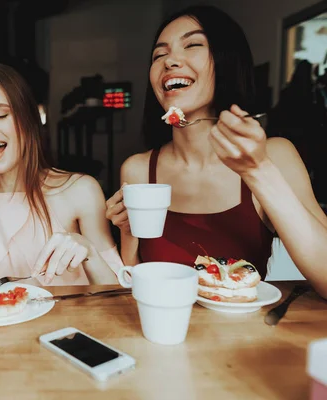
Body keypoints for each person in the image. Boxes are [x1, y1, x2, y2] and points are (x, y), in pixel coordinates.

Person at [105, 5, 327, 298]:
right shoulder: (137, 169)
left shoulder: (274, 155)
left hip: (244, 338)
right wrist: (128, 232)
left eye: (192, 45)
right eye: (159, 55)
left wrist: (256, 170)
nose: (170, 60)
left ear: (225, 62)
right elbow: (132, 285)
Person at [0, 63, 122, 289]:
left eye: (0, 114)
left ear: (29, 120)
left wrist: (89, 252)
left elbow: (119, 294)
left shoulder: (81, 190)